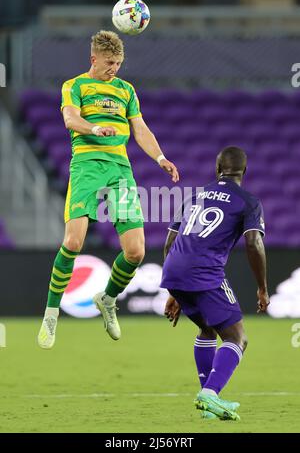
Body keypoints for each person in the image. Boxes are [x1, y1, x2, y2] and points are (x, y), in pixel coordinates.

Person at [38, 30, 179, 349]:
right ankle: (51, 312)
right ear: (94, 59)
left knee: (136, 251)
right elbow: (70, 119)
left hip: (119, 169)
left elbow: (140, 128)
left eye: (118, 63)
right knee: (73, 242)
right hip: (87, 165)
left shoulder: (126, 90)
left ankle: (108, 298)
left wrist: (160, 157)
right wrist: (94, 128)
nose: (114, 68)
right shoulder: (75, 86)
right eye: (109, 62)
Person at [160, 146, 269, 421]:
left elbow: (171, 242)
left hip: (175, 269)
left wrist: (174, 287)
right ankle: (210, 393)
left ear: (217, 169)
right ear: (244, 172)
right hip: (204, 272)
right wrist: (262, 287)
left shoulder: (193, 196)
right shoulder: (248, 201)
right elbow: (254, 242)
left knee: (207, 329)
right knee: (237, 338)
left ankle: (209, 401)